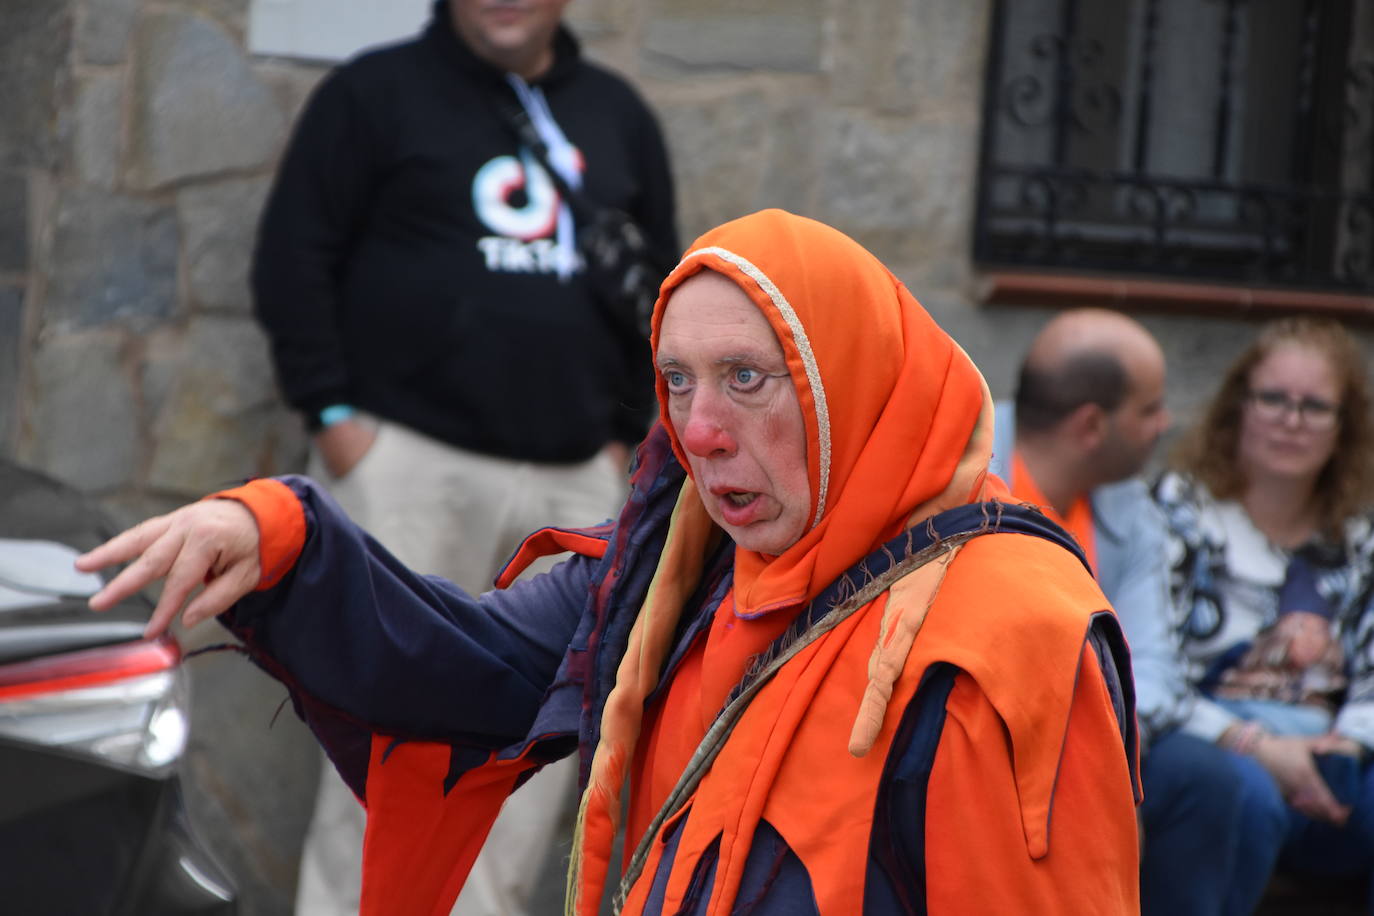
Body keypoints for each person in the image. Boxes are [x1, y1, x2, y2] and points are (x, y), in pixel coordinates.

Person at [82, 210, 1141, 915]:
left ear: (852, 383)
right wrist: (279, 536)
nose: (703, 429)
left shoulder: (1012, 635)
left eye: (747, 377)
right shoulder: (677, 570)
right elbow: (460, 660)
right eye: (677, 382)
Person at [249, 0, 677, 912]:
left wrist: (622, 440)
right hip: (408, 466)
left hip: (575, 478)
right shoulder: (373, 93)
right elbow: (294, 257)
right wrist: (338, 422)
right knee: (381, 731)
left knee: (544, 747)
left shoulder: (618, 114)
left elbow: (665, 289)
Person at [988, 309, 1277, 914]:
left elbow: (1152, 663)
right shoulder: (965, 481)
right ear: (1091, 424)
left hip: (1110, 737)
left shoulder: (1128, 502)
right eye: (1149, 410)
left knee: (1212, 781)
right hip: (992, 737)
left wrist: (1113, 774)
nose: (1164, 424)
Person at [1152, 317, 1374, 905]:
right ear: (1238, 408)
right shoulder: (1181, 512)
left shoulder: (1360, 536)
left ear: (1342, 427)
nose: (1291, 420)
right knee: (1239, 793)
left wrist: (1348, 745)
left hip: (1330, 751)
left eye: (1315, 406)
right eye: (1273, 398)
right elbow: (1147, 672)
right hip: (1211, 740)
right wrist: (1254, 743)